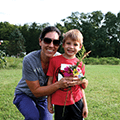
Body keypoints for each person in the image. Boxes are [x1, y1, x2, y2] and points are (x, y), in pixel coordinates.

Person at [13, 26, 88, 120]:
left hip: (44, 97)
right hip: (25, 94)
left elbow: (78, 85)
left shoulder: (64, 61)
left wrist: (84, 84)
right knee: (33, 117)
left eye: (55, 42)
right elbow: (36, 91)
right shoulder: (29, 59)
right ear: (40, 41)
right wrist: (59, 85)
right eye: (47, 41)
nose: (51, 45)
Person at [47, 29, 88, 120]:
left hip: (76, 102)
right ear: (63, 45)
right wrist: (49, 102)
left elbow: (82, 86)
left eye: (75, 44)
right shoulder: (54, 60)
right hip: (59, 102)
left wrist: (85, 105)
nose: (71, 47)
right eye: (68, 43)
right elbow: (50, 81)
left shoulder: (80, 64)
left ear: (80, 47)